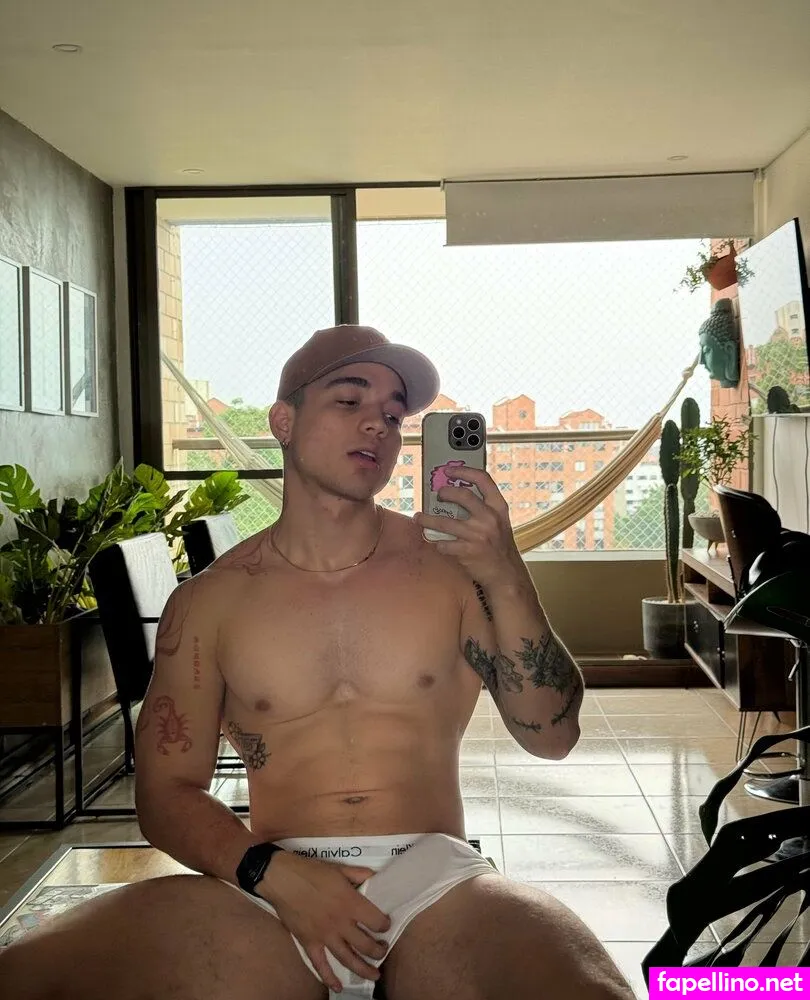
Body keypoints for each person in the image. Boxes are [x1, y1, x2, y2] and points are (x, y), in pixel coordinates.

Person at [0, 325, 634, 1000]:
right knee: (25, 972)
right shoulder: (211, 602)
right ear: (284, 421)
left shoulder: (453, 573)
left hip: (436, 883)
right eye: (349, 401)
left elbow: (552, 735)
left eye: (393, 414)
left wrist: (505, 571)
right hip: (266, 887)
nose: (378, 424)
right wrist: (272, 875)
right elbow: (165, 793)